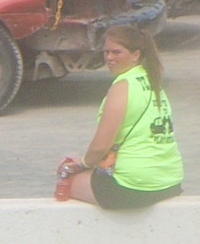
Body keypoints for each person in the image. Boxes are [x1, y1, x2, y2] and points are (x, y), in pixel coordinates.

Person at [64, 24, 180, 210]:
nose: (109, 58)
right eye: (106, 52)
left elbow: (101, 146)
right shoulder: (154, 82)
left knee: (65, 179)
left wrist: (82, 163)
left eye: (117, 52)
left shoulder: (122, 86)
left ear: (136, 55)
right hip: (170, 181)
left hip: (133, 185)